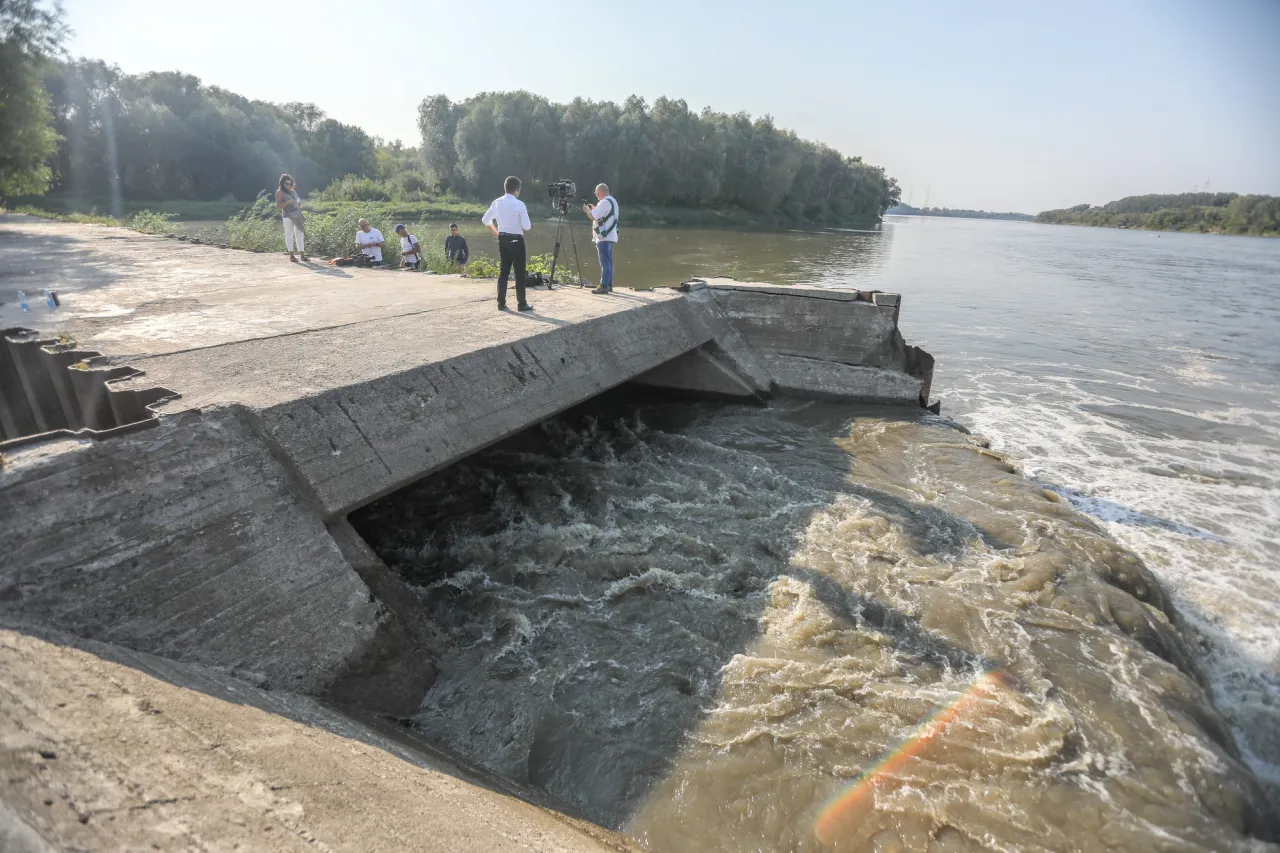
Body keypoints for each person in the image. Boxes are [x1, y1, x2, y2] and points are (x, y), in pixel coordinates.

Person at [481, 176, 533, 311]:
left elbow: (486, 219)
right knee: (519, 272)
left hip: (502, 238)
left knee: (504, 271)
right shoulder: (519, 204)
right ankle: (521, 303)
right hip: (517, 239)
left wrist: (496, 233)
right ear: (516, 190)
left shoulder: (496, 202)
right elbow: (527, 226)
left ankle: (501, 303)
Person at [582, 183, 619, 294]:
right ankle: (609, 285)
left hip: (604, 237)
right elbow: (603, 215)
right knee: (609, 262)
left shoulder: (604, 202)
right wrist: (594, 209)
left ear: (602, 191)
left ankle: (603, 285)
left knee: (605, 263)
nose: (595, 194)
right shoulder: (613, 201)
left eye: (596, 192)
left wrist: (587, 210)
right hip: (611, 236)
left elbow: (593, 216)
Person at [275, 174, 308, 262]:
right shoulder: (279, 192)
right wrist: (288, 202)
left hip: (296, 215)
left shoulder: (293, 192)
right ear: (282, 183)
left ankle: (302, 255)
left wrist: (298, 205)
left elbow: (299, 203)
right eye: (286, 184)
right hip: (287, 216)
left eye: (290, 184)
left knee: (300, 234)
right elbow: (278, 206)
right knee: (289, 235)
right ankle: (292, 256)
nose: (289, 185)